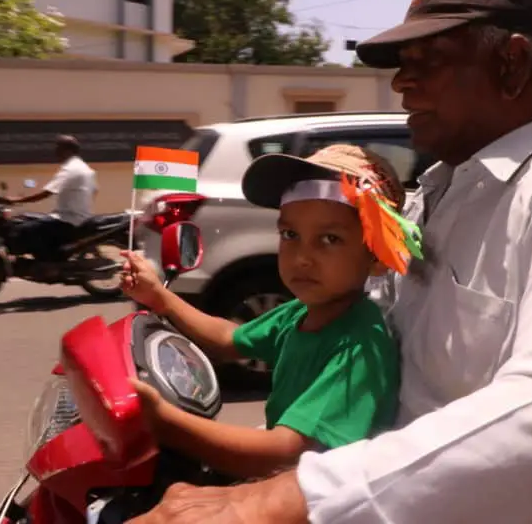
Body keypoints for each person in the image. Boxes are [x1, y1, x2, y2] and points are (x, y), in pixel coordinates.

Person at [127, 0, 532, 524]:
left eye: (426, 63)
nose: (401, 84)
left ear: (510, 65)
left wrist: (274, 499)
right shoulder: (428, 197)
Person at [118, 143, 417, 480]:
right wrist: (159, 297)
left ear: (377, 256)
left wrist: (166, 422)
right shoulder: (301, 312)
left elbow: (286, 452)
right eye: (290, 234)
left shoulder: (358, 346)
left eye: (330, 239)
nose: (302, 257)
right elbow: (228, 339)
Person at [5, 135, 97, 274]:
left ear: (67, 150)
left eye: (58, 148)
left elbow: (46, 193)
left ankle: (48, 263)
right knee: (30, 220)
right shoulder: (84, 168)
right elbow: (95, 190)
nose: (55, 152)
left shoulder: (70, 169)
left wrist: (16, 200)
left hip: (68, 219)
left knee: (27, 229)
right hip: (77, 217)